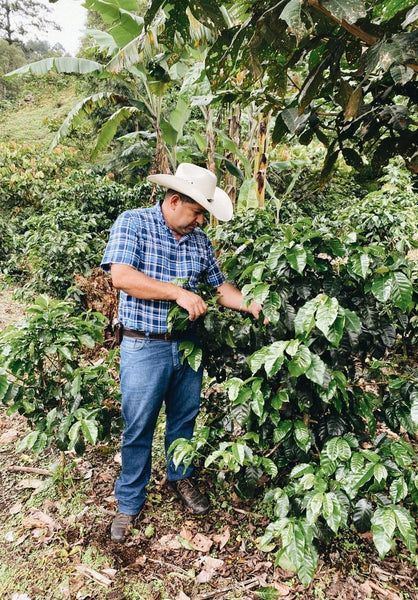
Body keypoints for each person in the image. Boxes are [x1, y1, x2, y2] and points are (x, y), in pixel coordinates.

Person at [101, 163, 264, 543]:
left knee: (184, 420)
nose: (200, 222)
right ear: (174, 201)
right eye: (196, 213)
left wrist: (251, 304)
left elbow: (219, 286)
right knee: (139, 425)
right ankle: (129, 501)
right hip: (143, 345)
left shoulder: (199, 241)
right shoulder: (134, 223)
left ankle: (179, 477)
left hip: (187, 348)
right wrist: (177, 292)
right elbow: (121, 276)